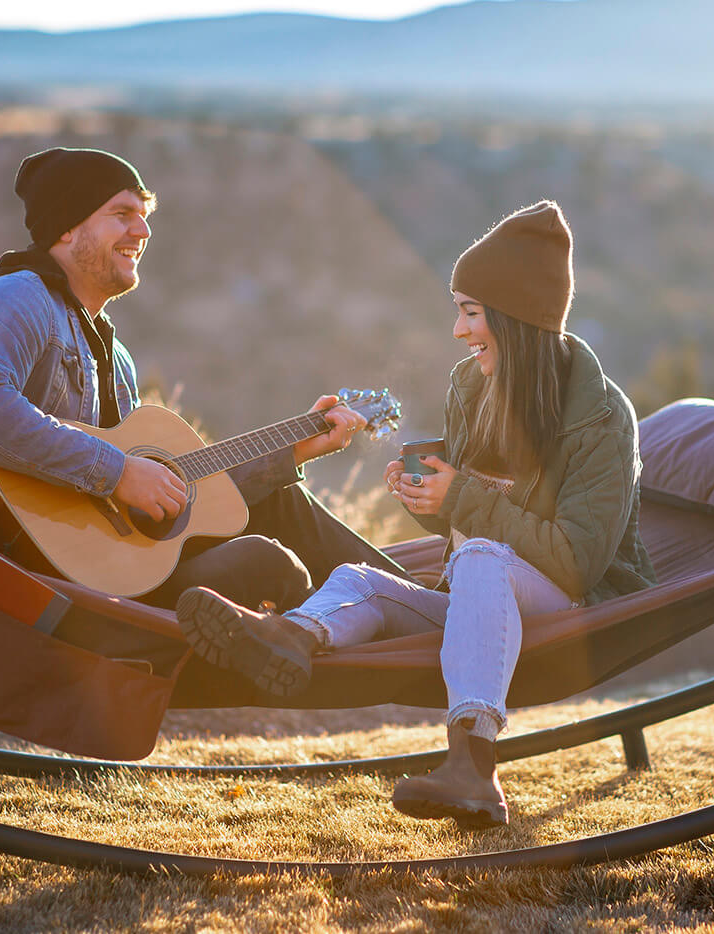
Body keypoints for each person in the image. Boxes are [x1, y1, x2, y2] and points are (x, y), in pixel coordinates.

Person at [175, 200, 657, 827]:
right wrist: (432, 503)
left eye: (470, 312)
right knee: (357, 580)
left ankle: (474, 768)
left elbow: (575, 562)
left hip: (578, 606)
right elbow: (477, 523)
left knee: (482, 558)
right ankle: (286, 637)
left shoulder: (599, 416)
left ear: (514, 318)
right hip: (484, 593)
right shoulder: (473, 387)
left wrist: (460, 499)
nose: (458, 330)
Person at [0, 146, 407, 611]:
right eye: (121, 214)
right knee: (266, 563)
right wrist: (116, 471)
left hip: (106, 570)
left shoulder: (115, 359)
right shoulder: (15, 296)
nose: (141, 230)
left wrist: (293, 449)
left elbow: (175, 500)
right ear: (67, 227)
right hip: (25, 575)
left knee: (282, 502)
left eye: (143, 215)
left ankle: (424, 607)